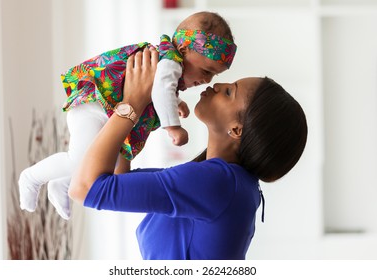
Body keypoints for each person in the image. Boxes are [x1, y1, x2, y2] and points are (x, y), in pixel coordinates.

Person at [69, 47, 308, 260]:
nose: (216, 85)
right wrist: (138, 105)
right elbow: (118, 180)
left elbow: (85, 188)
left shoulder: (219, 183)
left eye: (228, 92)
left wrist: (131, 104)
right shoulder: (226, 182)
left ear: (236, 129)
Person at [18, 12, 237, 220]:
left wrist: (176, 102)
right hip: (94, 107)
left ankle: (63, 184)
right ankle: (31, 177)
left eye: (214, 75)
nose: (207, 80)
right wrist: (173, 127)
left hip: (106, 111)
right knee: (79, 159)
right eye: (207, 71)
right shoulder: (170, 62)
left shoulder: (168, 65)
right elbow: (160, 90)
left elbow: (158, 88)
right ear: (184, 48)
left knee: (99, 162)